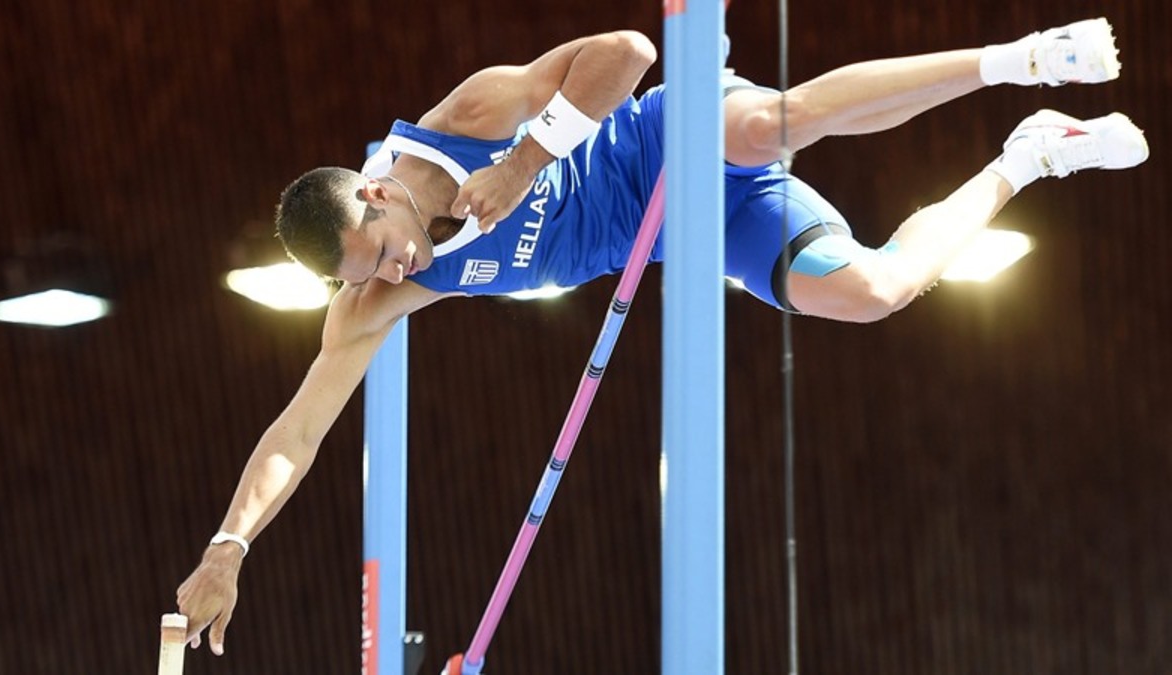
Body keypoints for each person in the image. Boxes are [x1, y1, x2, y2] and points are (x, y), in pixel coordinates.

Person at [175, 18, 1148, 656]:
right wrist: (230, 545)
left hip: (663, 140)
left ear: (378, 192)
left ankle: (1017, 61)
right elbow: (296, 431)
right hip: (686, 230)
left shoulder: (466, 119)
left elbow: (630, 52)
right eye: (369, 278)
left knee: (774, 121)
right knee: (874, 291)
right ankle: (1031, 157)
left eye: (380, 251)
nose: (394, 273)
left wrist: (520, 166)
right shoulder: (377, 299)